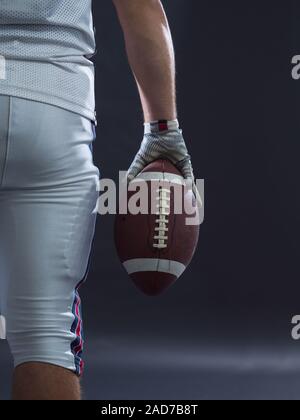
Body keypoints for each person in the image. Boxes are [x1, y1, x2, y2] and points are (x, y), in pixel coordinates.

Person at [0, 0, 195, 400]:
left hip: (53, 98)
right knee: (46, 339)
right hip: (51, 106)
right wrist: (162, 130)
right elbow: (139, 5)